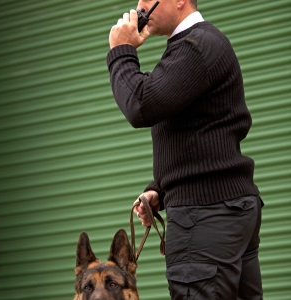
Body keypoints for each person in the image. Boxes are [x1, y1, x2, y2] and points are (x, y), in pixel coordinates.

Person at [107, 0, 264, 299]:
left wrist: (120, 53)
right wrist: (161, 190)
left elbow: (141, 105)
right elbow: (201, 133)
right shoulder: (193, 47)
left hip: (206, 217)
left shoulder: (196, 46)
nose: (140, 6)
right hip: (225, 210)